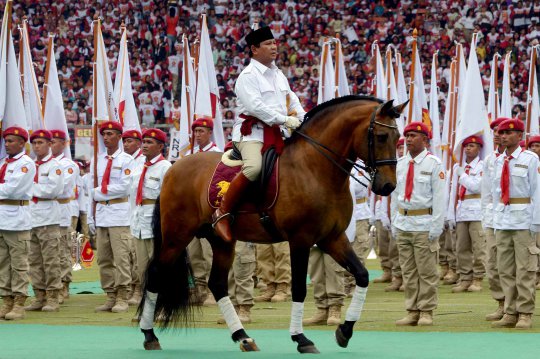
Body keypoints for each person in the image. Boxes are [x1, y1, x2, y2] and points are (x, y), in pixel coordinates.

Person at [212, 26, 305, 242]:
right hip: (252, 134)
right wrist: (285, 119)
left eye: (274, 43)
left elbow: (292, 100)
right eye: (268, 44)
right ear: (254, 49)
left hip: (279, 132)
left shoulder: (279, 74)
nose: (274, 47)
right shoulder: (247, 76)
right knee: (254, 167)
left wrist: (302, 118)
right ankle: (222, 211)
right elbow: (256, 107)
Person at [391, 122, 445, 326]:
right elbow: (395, 196)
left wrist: (436, 227)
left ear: (425, 140)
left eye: (413, 135)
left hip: (424, 223)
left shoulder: (434, 164)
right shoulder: (401, 163)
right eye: (407, 136)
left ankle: (426, 311)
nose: (409, 139)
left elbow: (440, 197)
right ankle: (412, 310)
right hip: (404, 222)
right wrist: (394, 221)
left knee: (427, 271)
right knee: (408, 271)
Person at [490, 118, 540, 329]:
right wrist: (494, 219)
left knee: (525, 269)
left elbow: (537, 191)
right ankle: (510, 311)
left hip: (523, 220)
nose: (504, 135)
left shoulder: (530, 159)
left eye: (509, 132)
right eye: (502, 132)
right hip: (503, 219)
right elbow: (495, 192)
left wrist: (536, 223)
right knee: (505, 270)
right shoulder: (498, 160)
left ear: (520, 137)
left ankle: (525, 313)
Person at [89, 121, 134, 313]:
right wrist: (91, 215)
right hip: (102, 214)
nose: (106, 138)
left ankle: (123, 295)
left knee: (121, 257)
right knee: (104, 258)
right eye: (104, 134)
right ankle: (110, 295)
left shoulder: (126, 160)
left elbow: (126, 186)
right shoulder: (97, 160)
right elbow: (89, 189)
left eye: (110, 134)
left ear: (118, 137)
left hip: (119, 214)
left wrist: (101, 192)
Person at [130, 128, 171, 309]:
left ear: (160, 146)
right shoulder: (138, 165)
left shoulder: (166, 168)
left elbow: (168, 200)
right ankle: (147, 303)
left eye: (149, 143)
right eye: (144, 142)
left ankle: (162, 302)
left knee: (158, 266)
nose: (145, 145)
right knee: (142, 266)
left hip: (155, 222)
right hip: (139, 221)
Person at [25, 130, 64, 313]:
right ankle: (39, 295)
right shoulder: (30, 165)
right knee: (34, 260)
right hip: (31, 217)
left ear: (50, 144)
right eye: (34, 143)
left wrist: (29, 188)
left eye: (41, 142)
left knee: (50, 260)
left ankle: (53, 296)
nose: (37, 146)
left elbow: (52, 191)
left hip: (48, 216)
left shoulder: (55, 166)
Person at [0, 127, 36, 320]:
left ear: (22, 143)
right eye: (6, 141)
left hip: (17, 219)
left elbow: (12, 190)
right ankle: (6, 300)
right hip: (2, 217)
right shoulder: (4, 162)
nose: (7, 144)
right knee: (3, 264)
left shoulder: (26, 164)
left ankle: (19, 302)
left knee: (19, 264)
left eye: (11, 141)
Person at [188, 118, 222, 306]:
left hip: (210, 211)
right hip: (193, 212)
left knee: (210, 253)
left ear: (210, 132)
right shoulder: (191, 155)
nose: (198, 135)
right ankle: (199, 289)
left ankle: (212, 291)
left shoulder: (217, 154)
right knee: (194, 254)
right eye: (196, 131)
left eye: (201, 131)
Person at [447, 135, 486, 293]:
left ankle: (478, 278)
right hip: (462, 211)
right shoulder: (459, 167)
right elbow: (452, 193)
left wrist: (462, 175)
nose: (468, 148)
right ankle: (465, 278)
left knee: (478, 248)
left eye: (472, 145)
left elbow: (476, 187)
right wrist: (451, 214)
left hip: (477, 212)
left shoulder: (482, 166)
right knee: (461, 247)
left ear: (479, 148)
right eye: (466, 146)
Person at [481, 117, 507, 320]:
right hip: (492, 218)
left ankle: (515, 306)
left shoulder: (525, 158)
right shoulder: (490, 160)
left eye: (501, 131)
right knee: (492, 263)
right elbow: (486, 192)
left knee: (511, 265)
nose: (498, 134)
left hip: (513, 218)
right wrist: (485, 217)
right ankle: (501, 303)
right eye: (495, 131)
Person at [50, 130, 79, 302]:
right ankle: (49, 287)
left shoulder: (69, 165)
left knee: (62, 251)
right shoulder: (40, 164)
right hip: (43, 213)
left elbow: (60, 187)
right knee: (46, 253)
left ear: (63, 143)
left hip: (60, 211)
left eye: (54, 141)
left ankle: (63, 285)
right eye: (50, 141)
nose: (50, 144)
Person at [122, 129, 144, 306]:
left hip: (141, 213)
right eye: (125, 141)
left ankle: (139, 288)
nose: (126, 144)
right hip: (125, 212)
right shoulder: (123, 160)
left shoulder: (143, 161)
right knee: (127, 255)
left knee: (138, 255)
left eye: (130, 141)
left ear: (138, 143)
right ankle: (129, 287)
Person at [526, 135, 540, 289]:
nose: (535, 149)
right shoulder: (530, 164)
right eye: (532, 146)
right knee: (534, 246)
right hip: (532, 210)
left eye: (537, 146)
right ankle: (536, 275)